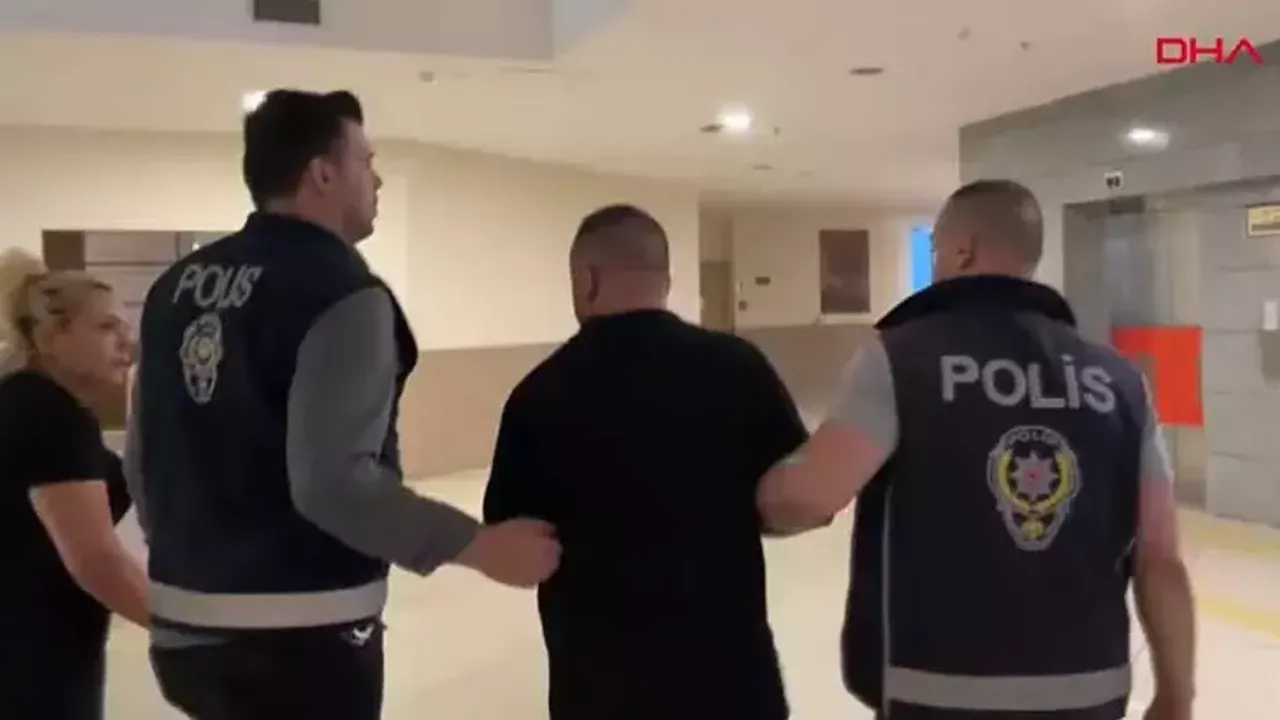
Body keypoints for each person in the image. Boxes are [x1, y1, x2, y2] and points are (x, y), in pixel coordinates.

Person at [127, 89, 561, 720]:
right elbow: (334, 483)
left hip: (181, 631)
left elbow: (144, 458)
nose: (376, 179)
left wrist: (197, 559)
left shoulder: (172, 290)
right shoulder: (342, 293)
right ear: (322, 174)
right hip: (301, 638)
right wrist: (478, 546)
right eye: (366, 161)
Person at [757, 179, 1196, 720]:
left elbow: (808, 498)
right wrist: (1176, 694)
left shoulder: (903, 358)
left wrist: (745, 492)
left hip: (936, 687)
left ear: (963, 250)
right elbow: (1161, 559)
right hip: (1088, 692)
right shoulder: (1120, 381)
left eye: (938, 248)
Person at [482, 204, 809, 720]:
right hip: (732, 681)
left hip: (598, 686)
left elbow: (512, 543)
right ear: (666, 281)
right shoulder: (738, 367)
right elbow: (804, 499)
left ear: (586, 280)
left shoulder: (540, 394)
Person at [0, 249, 147, 720]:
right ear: (51, 338)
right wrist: (188, 630)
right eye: (106, 327)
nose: (125, 342)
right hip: (33, 659)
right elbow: (97, 562)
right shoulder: (50, 415)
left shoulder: (25, 401)